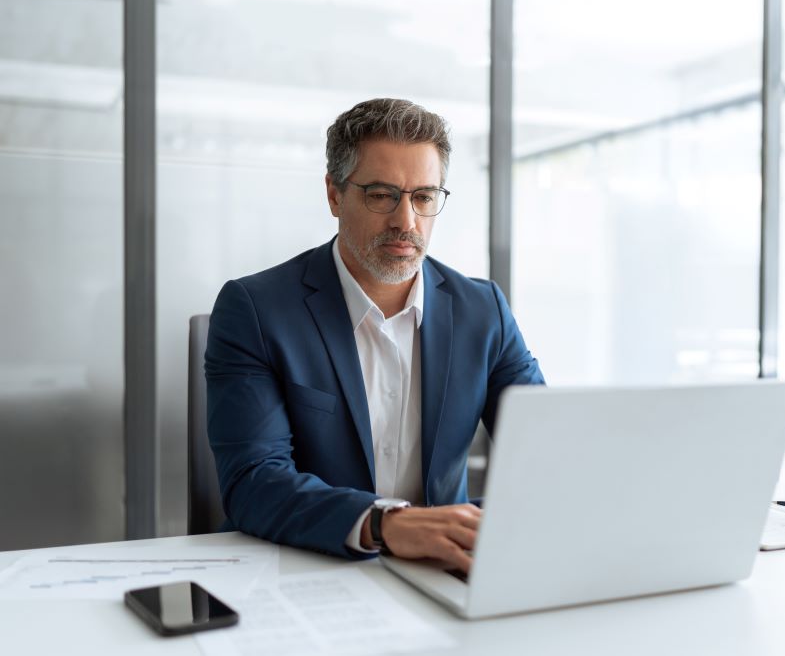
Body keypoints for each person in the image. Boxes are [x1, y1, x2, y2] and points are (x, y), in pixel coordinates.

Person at [205, 98, 544, 574]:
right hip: (305, 565)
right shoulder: (256, 310)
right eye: (383, 195)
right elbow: (254, 482)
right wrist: (384, 524)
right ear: (334, 194)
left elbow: (545, 453)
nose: (407, 221)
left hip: (443, 568)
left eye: (424, 197)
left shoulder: (482, 310)